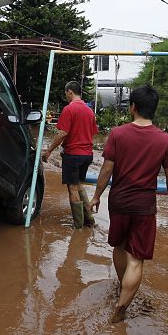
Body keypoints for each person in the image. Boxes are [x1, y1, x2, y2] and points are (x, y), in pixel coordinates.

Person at [88, 85, 168, 323]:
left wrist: (97, 196)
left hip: (118, 202)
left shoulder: (117, 134)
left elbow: (107, 169)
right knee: (136, 258)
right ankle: (123, 304)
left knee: (118, 247)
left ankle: (122, 287)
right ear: (153, 109)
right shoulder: (166, 140)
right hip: (144, 206)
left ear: (133, 108)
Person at [41, 81, 98, 229]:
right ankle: (89, 221)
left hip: (73, 155)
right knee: (78, 184)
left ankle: (78, 226)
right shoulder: (89, 111)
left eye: (66, 93)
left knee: (72, 188)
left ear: (70, 92)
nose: (65, 96)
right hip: (87, 155)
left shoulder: (69, 109)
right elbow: (91, 134)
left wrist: (49, 150)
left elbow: (62, 134)